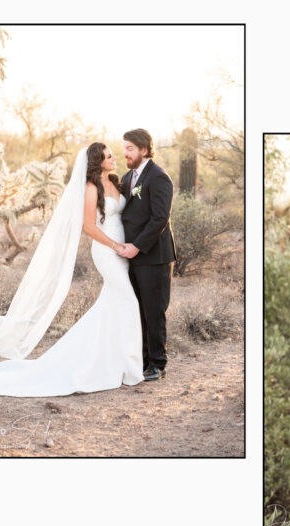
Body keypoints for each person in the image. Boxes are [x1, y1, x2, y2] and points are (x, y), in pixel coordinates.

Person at [0, 143, 144, 396]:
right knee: (128, 301)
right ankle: (130, 366)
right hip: (107, 250)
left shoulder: (117, 183)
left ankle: (112, 360)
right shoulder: (90, 189)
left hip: (123, 249)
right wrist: (114, 245)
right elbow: (89, 227)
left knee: (112, 304)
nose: (114, 157)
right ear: (98, 162)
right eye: (108, 156)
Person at [119, 129, 177, 381]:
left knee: (153, 310)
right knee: (137, 310)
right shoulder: (126, 177)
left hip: (154, 255)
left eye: (130, 148)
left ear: (144, 150)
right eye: (124, 148)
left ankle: (157, 363)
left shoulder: (159, 177)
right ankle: (142, 360)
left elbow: (160, 219)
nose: (125, 153)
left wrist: (137, 246)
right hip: (131, 255)